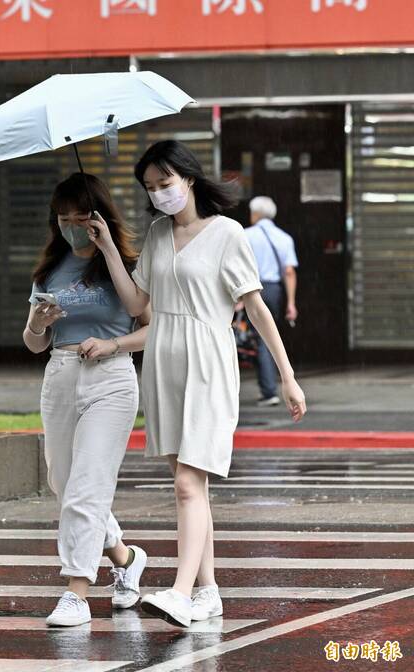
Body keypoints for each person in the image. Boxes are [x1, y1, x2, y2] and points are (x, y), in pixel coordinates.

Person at [85, 141, 306, 627]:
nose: (159, 194)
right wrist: (106, 246)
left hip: (208, 361)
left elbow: (256, 307)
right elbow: (136, 305)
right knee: (191, 488)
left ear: (187, 178)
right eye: (150, 187)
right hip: (163, 362)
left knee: (189, 483)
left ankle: (181, 592)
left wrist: (287, 377)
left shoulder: (227, 233)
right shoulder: (159, 233)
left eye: (165, 184)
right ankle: (208, 591)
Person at [23, 173, 150, 627]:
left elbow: (146, 321)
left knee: (86, 487)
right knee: (64, 483)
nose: (73, 225)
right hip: (59, 374)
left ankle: (76, 590)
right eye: (64, 218)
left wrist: (112, 344)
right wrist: (39, 321)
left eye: (82, 216)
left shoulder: (130, 263)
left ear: (100, 216)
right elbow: (34, 343)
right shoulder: (48, 269)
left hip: (111, 380)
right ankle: (125, 556)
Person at [244, 196, 299, 407]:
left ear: (255, 214)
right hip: (274, 290)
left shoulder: (244, 235)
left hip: (250, 288)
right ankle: (268, 388)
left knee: (257, 339)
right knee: (266, 335)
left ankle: (268, 390)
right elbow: (289, 272)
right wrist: (291, 303)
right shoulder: (284, 238)